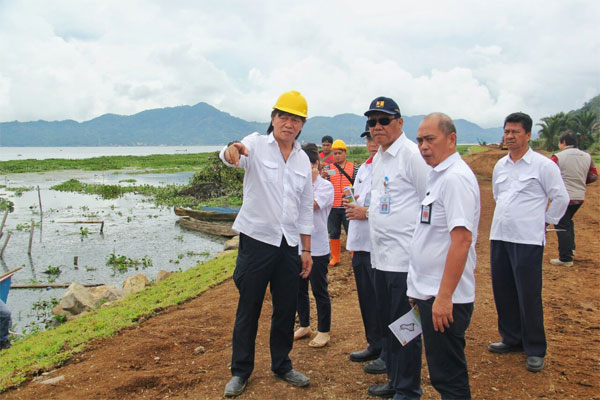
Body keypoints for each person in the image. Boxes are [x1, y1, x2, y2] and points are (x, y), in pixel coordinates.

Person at [219, 90, 314, 397]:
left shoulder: (302, 159)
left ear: (301, 125)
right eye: (283, 117)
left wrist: (307, 249)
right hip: (257, 241)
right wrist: (230, 150)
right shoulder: (256, 145)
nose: (288, 123)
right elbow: (233, 153)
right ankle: (241, 371)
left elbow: (304, 209)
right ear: (273, 118)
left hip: (288, 245)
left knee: (286, 309)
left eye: (295, 119)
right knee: (249, 307)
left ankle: (282, 365)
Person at [489, 112, 568, 373]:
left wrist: (545, 222)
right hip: (500, 236)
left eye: (515, 132)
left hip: (527, 240)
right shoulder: (500, 166)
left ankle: (534, 348)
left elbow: (561, 198)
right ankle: (511, 338)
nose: (509, 136)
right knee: (503, 290)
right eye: (506, 131)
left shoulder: (543, 166)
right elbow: (498, 196)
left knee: (528, 294)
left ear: (528, 135)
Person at [408, 113, 480, 399]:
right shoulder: (438, 176)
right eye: (420, 140)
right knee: (441, 369)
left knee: (447, 375)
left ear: (451, 140)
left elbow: (461, 240)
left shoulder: (455, 179)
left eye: (430, 139)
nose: (423, 146)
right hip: (429, 292)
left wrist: (444, 297)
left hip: (445, 297)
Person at [364, 96, 429, 399]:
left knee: (406, 329)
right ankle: (394, 379)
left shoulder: (412, 156)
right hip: (381, 259)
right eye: (372, 122)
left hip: (404, 261)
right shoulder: (379, 157)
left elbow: (430, 202)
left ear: (399, 123)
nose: (377, 127)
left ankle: (408, 389)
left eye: (384, 120)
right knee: (390, 325)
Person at [344, 123, 387, 375]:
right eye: (368, 137)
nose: (371, 141)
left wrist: (367, 212)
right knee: (367, 299)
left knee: (384, 301)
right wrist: (353, 203)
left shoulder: (388, 166)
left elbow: (392, 207)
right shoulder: (365, 167)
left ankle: (389, 350)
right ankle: (375, 343)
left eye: (374, 137)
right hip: (360, 243)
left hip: (379, 245)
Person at [294, 143, 334, 348]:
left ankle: (324, 330)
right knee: (299, 289)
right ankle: (305, 324)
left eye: (310, 164)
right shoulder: (297, 184)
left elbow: (311, 206)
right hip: (297, 245)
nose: (307, 169)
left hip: (317, 247)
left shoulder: (325, 186)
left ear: (317, 164)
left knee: (319, 290)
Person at [549, 132, 598, 266]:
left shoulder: (557, 157)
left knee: (561, 224)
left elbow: (549, 175)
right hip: (579, 196)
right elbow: (594, 176)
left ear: (563, 142)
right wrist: (581, 182)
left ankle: (565, 258)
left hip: (564, 196)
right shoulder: (587, 156)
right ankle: (571, 249)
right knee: (567, 221)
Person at [323, 139, 357, 266]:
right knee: (334, 232)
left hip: (348, 205)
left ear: (345, 153)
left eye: (339, 153)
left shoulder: (354, 168)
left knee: (351, 231)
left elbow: (358, 184)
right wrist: (323, 177)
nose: (337, 155)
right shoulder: (328, 168)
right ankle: (335, 257)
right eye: (335, 153)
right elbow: (324, 184)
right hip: (333, 205)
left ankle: (354, 255)